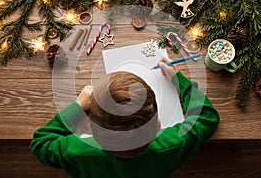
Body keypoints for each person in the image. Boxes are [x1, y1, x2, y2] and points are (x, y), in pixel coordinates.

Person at [30, 56, 220, 178]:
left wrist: (78, 106)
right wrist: (178, 79)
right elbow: (206, 118)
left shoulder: (77, 151)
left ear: (92, 129)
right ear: (157, 126)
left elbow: (40, 143)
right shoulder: (171, 144)